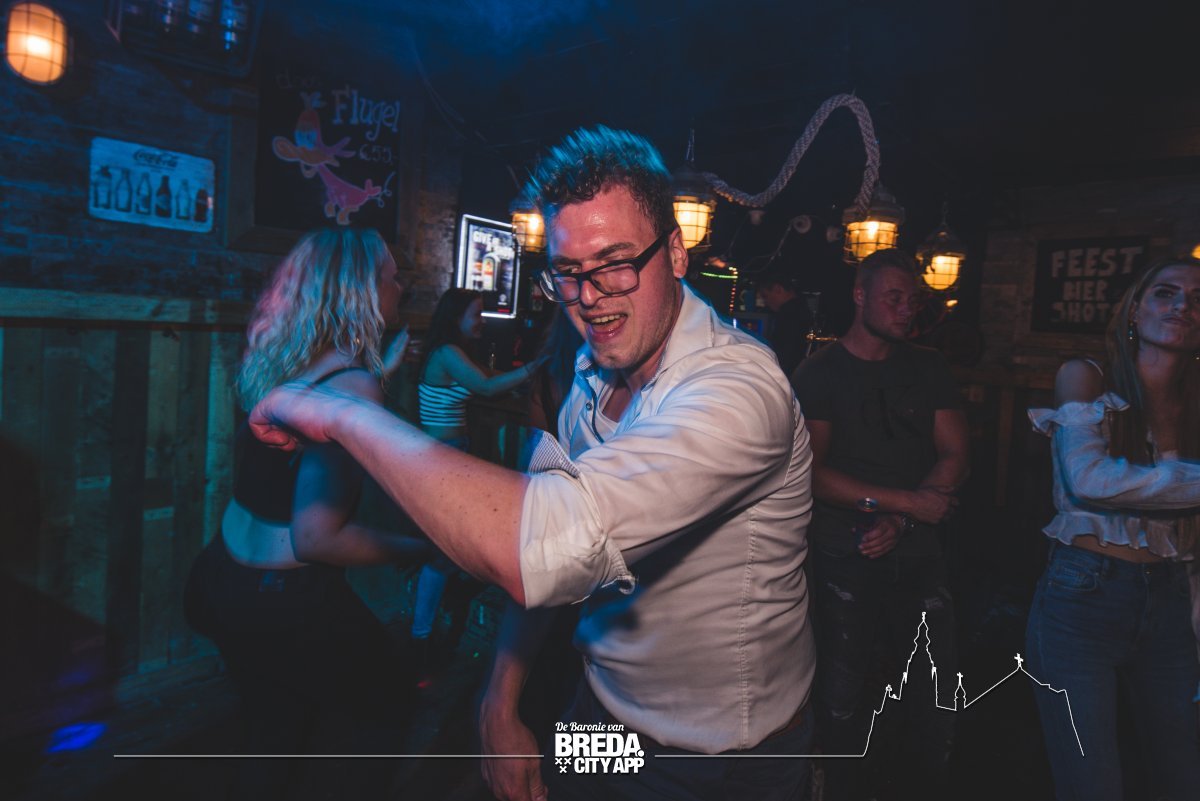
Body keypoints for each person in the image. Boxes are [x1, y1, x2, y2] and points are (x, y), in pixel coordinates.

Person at [248, 125, 816, 801]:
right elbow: (547, 570)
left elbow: (547, 541)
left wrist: (342, 413)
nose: (590, 295)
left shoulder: (740, 391)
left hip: (716, 757)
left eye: (615, 263)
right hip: (598, 707)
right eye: (569, 272)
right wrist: (500, 698)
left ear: (675, 252)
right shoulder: (591, 375)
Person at [183, 227, 423, 801]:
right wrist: (427, 549)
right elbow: (316, 538)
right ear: (362, 291)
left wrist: (376, 377)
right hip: (285, 601)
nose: (402, 287)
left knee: (274, 734)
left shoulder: (290, 361)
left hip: (221, 577)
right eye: (393, 277)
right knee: (384, 712)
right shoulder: (352, 384)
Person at [791, 248, 968, 801]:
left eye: (911, 299)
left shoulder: (928, 366)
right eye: (893, 297)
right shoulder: (821, 372)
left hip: (917, 545)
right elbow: (813, 474)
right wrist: (905, 504)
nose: (906, 308)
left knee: (936, 687)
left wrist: (903, 518)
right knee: (842, 690)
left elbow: (956, 454)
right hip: (844, 548)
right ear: (859, 295)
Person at [1024, 256, 1200, 801]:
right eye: (1166, 292)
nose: (1183, 305)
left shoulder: (1195, 405)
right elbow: (1089, 480)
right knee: (1092, 783)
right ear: (1134, 309)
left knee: (1183, 775)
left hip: (1171, 600)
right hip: (1084, 595)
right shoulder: (1087, 376)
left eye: (1197, 299)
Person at [410, 287, 542, 667]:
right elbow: (484, 386)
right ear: (457, 318)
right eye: (476, 314)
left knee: (449, 547)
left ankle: (431, 629)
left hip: (449, 455)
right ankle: (420, 638)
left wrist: (519, 376)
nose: (481, 321)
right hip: (441, 458)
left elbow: (487, 376)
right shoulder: (448, 354)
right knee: (442, 553)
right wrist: (535, 367)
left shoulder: (453, 352)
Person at [755, 267, 812, 377]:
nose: (765, 302)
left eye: (765, 296)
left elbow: (785, 355)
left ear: (778, 289)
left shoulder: (790, 315)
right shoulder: (802, 309)